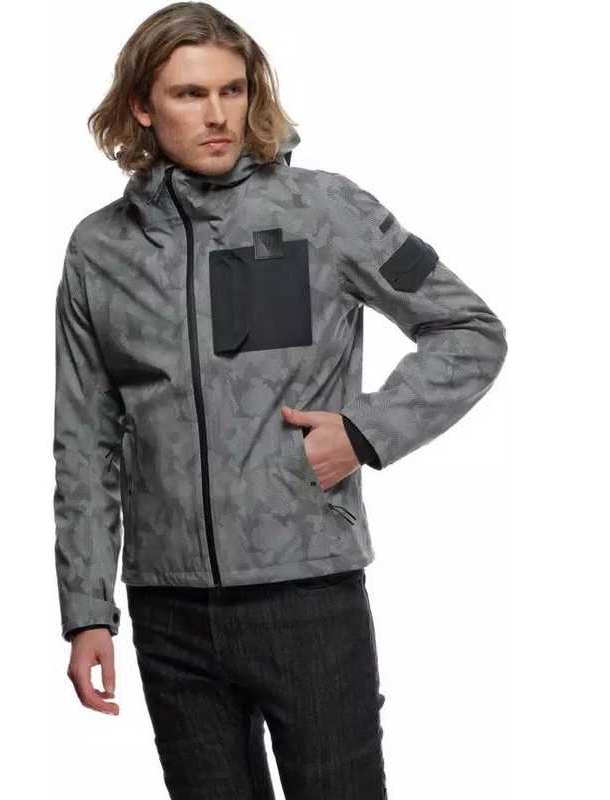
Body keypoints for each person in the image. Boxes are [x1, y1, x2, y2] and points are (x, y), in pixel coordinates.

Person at [53, 3, 507, 797]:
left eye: (232, 90)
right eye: (190, 94)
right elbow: (85, 437)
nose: (218, 115)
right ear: (142, 107)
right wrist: (88, 608)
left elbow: (469, 331)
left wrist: (364, 432)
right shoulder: (101, 249)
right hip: (169, 610)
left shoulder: (324, 212)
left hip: (307, 596)